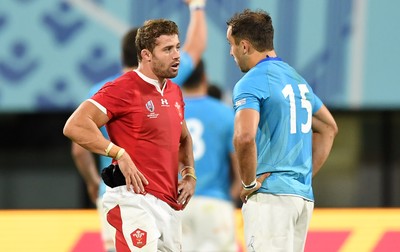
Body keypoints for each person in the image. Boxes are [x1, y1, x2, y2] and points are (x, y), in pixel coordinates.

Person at [70, 0, 207, 250]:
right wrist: (118, 153)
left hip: (168, 202)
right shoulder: (122, 88)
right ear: (146, 55)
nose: (177, 55)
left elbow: (183, 137)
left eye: (177, 47)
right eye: (168, 49)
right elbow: (75, 126)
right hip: (134, 200)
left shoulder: (174, 90)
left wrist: (189, 174)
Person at [226, 9, 338, 252]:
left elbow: (244, 137)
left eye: (231, 44)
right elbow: (329, 127)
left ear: (244, 46)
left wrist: (247, 184)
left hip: (270, 199)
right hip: (302, 199)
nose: (230, 52)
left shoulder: (250, 82)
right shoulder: (297, 80)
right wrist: (301, 178)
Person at [180, 59, 242, 251]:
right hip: (215, 202)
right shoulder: (225, 114)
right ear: (205, 78)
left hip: (176, 201)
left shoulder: (169, 113)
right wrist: (232, 194)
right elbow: (238, 162)